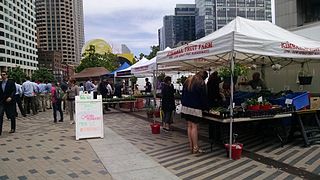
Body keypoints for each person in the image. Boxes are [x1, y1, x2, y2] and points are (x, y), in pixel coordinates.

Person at [181, 71, 208, 154]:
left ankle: (191, 146)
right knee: (194, 127)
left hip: (186, 107)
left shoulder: (188, 80)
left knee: (189, 126)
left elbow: (183, 94)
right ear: (204, 77)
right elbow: (203, 97)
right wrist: (205, 108)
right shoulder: (201, 83)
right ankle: (195, 147)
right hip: (195, 108)